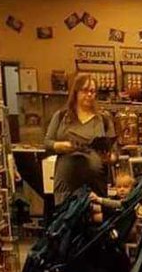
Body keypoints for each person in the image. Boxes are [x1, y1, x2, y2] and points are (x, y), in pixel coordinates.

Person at [44, 73, 116, 209]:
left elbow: (115, 152)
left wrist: (109, 157)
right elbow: (47, 143)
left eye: (93, 91)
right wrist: (59, 145)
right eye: (85, 90)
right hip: (66, 188)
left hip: (95, 190)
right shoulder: (61, 116)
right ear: (75, 92)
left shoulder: (103, 119)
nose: (89, 94)